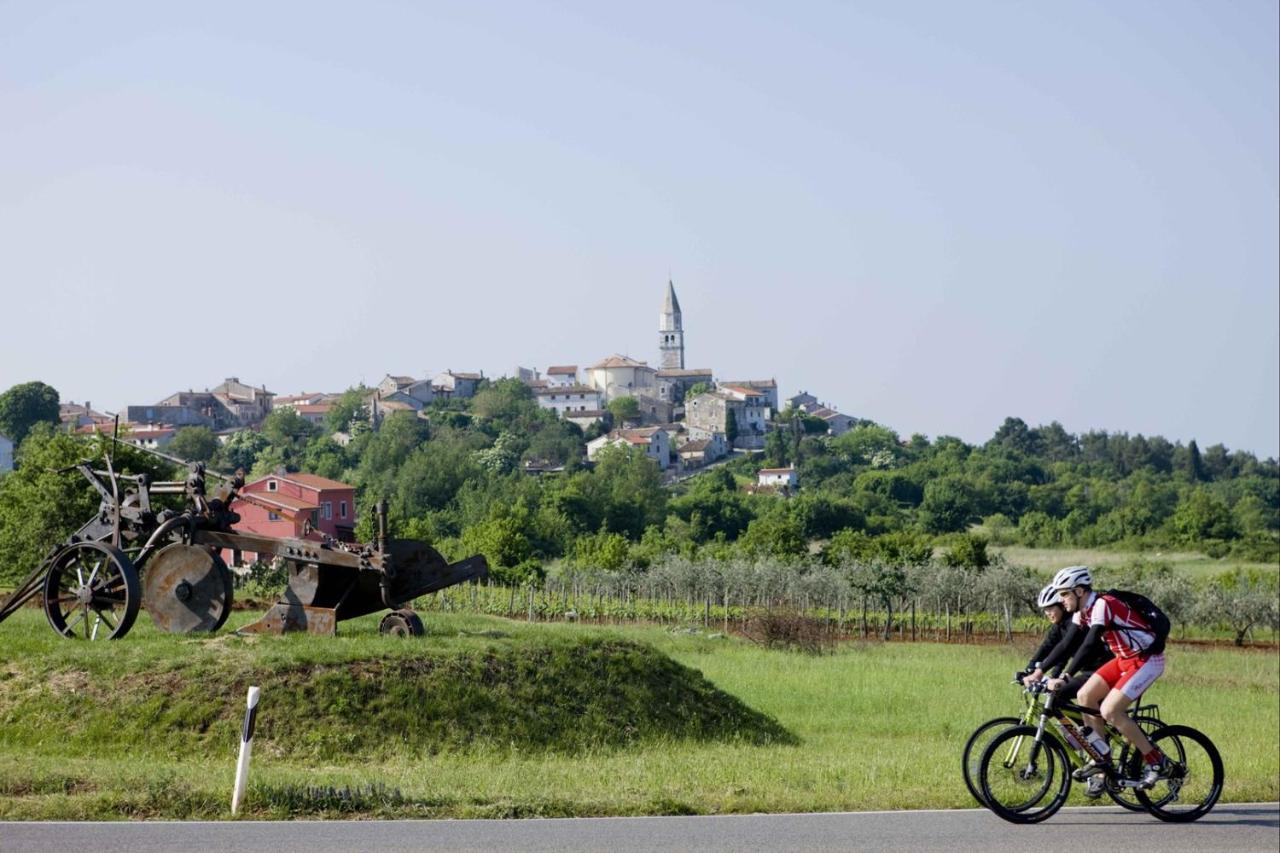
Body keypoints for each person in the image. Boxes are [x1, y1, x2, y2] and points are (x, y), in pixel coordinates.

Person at [1040, 566, 1172, 791]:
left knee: (1110, 710)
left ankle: (1157, 761)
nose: (1061, 600)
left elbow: (1089, 643)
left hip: (1147, 660)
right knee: (1085, 695)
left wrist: (1066, 675)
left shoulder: (1102, 604)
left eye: (1064, 594)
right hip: (1124, 659)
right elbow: (1067, 644)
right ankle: (1102, 761)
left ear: (1080, 591)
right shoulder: (1082, 612)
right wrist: (1038, 670)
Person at [1020, 583, 1112, 703]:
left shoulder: (1077, 624)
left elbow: (1066, 650)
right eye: (1045, 610)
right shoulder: (1059, 625)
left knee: (1060, 693)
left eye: (1050, 608)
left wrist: (1057, 675)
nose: (1047, 613)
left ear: (1062, 606)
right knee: (1058, 697)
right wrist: (1029, 669)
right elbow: (1047, 646)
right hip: (1088, 672)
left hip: (1101, 670)